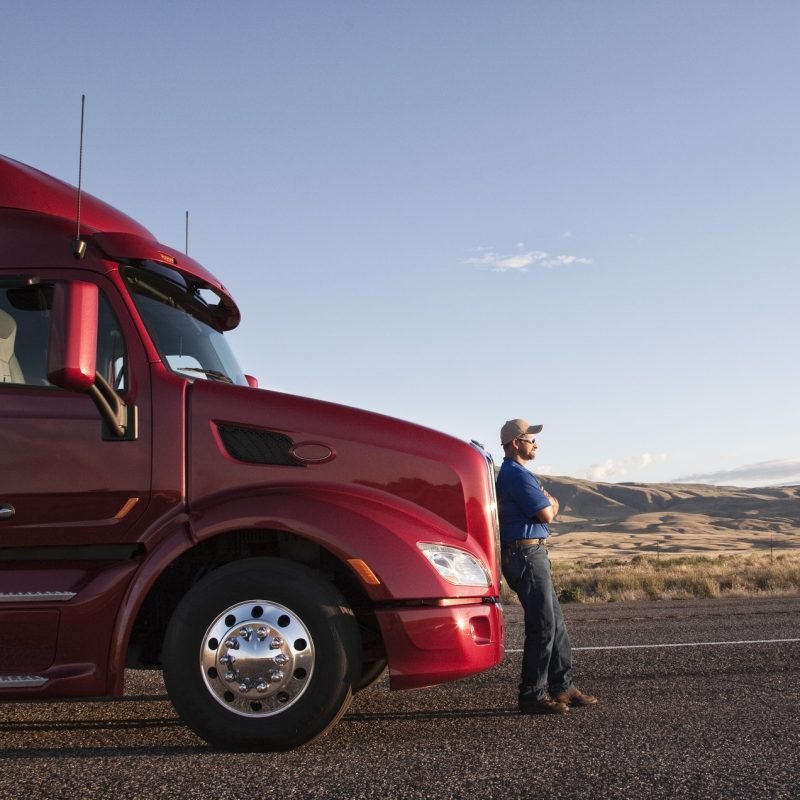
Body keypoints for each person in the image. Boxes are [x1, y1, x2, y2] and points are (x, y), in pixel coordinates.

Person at [497, 418, 597, 715]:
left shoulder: (517, 474)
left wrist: (549, 503)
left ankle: (562, 686)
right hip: (526, 555)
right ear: (516, 443)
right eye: (531, 439)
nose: (535, 443)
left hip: (530, 554)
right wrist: (552, 504)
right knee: (543, 625)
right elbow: (546, 513)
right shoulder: (517, 475)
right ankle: (532, 694)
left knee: (556, 623)